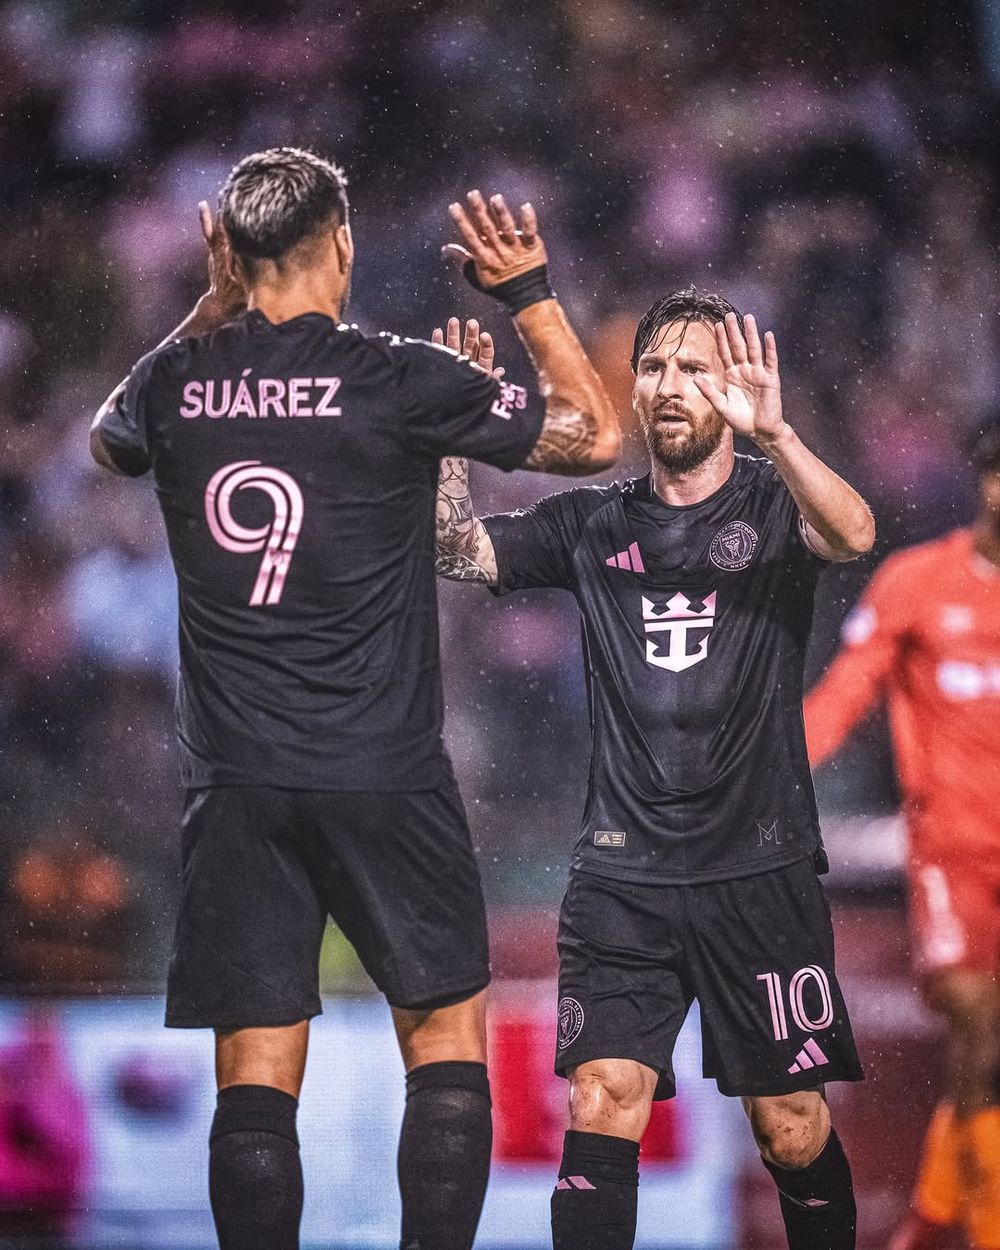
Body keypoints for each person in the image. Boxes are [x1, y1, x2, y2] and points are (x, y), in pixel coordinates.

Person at [88, 147, 621, 1250]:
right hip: (385, 768)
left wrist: (208, 305)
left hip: (235, 781)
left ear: (231, 253)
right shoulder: (395, 374)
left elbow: (108, 438)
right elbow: (592, 434)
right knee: (442, 1036)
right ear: (342, 242)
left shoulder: (178, 381)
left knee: (256, 1062)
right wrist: (526, 294)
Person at [434, 288, 875, 1250]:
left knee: (789, 1123)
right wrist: (450, 443)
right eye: (654, 367)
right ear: (632, 387)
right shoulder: (592, 522)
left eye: (694, 369)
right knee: (602, 1097)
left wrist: (783, 438)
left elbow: (853, 535)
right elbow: (456, 552)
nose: (669, 386)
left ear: (732, 389)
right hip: (620, 877)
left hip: (758, 872)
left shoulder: (774, 504)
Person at [805, 420, 1000, 1250]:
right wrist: (766, 781)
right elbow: (844, 694)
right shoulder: (918, 582)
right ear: (988, 484)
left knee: (982, 1064)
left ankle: (928, 1220)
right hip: (952, 855)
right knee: (979, 1031)